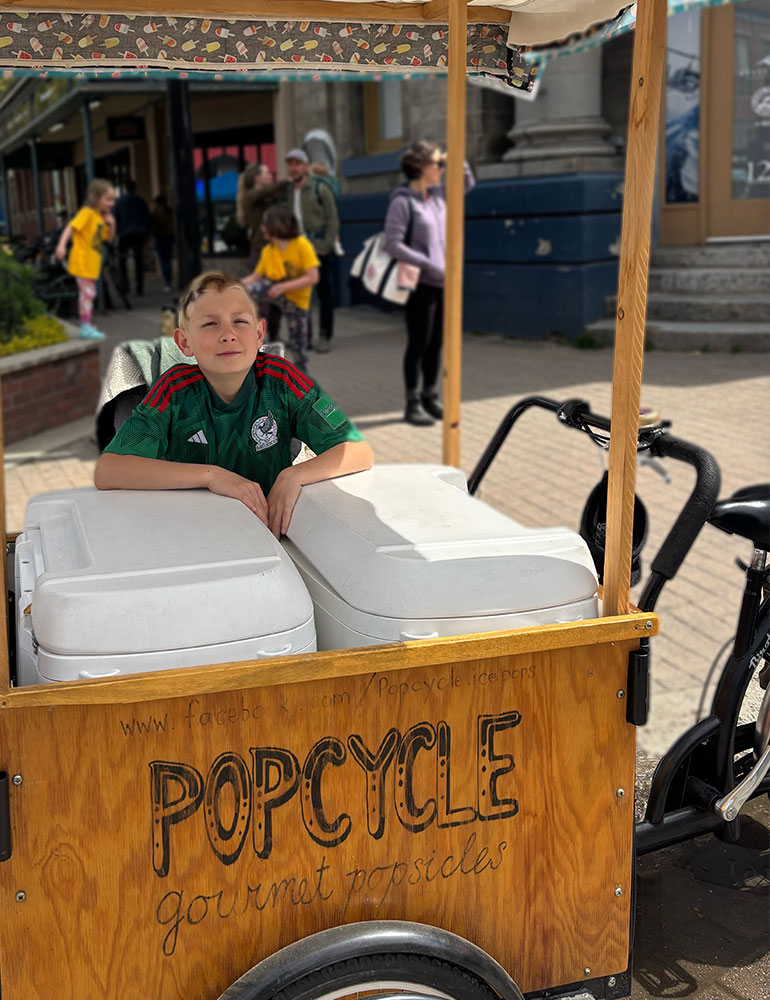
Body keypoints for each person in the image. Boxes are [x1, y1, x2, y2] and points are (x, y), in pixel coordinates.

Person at [94, 271, 373, 537]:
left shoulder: (281, 379)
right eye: (209, 324)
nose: (228, 334)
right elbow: (109, 470)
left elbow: (358, 451)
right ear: (184, 341)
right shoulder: (174, 389)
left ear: (260, 334)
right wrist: (212, 476)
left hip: (269, 536)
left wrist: (294, 475)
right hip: (191, 532)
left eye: (240, 321)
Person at [384, 141, 474, 427]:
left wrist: (455, 158)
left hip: (444, 282)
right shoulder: (402, 201)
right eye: (437, 164)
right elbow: (392, 243)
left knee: (436, 343)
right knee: (419, 343)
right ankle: (412, 402)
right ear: (421, 169)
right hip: (420, 284)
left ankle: (429, 396)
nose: (441, 169)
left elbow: (466, 184)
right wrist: (426, 262)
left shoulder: (437, 197)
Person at [241, 204, 319, 375]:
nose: (262, 228)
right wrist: (231, 286)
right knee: (251, 290)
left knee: (299, 345)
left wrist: (282, 287)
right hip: (273, 292)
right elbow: (255, 277)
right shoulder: (269, 250)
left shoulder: (302, 245)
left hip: (296, 300)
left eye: (265, 223)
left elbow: (312, 277)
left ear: (276, 225)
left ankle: (302, 383)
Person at [284, 148, 339, 353]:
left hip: (318, 248)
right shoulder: (289, 191)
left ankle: (325, 335)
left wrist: (325, 246)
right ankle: (304, 336)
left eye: (297, 164)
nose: (294, 168)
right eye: (290, 164)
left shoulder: (319, 189)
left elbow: (333, 219)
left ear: (305, 166)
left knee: (324, 293)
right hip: (297, 249)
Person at [55, 178, 116, 340]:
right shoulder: (87, 213)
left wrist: (111, 224)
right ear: (96, 198)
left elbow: (108, 240)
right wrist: (61, 245)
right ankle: (85, 326)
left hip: (91, 264)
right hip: (82, 262)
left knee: (89, 294)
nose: (112, 203)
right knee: (87, 294)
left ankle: (86, 324)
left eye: (113, 199)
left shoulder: (98, 217)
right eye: (108, 199)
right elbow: (70, 227)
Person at [236, 162, 285, 340]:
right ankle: (260, 336)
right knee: (261, 296)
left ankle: (275, 333)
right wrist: (286, 180)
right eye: (266, 172)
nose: (270, 174)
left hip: (275, 250)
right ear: (257, 178)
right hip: (260, 250)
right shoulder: (251, 196)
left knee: (277, 293)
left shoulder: (266, 197)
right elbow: (266, 191)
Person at [114, 179, 150, 297]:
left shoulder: (119, 202)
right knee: (138, 261)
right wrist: (146, 233)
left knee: (122, 261)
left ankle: (125, 286)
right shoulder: (140, 202)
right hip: (138, 234)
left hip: (124, 234)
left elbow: (114, 218)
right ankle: (139, 287)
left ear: (125, 188)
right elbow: (146, 218)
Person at [149, 194, 174, 292]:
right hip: (168, 236)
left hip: (160, 237)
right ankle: (169, 280)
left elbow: (153, 225)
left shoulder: (155, 211)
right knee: (167, 260)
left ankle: (167, 282)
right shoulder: (168, 210)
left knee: (163, 260)